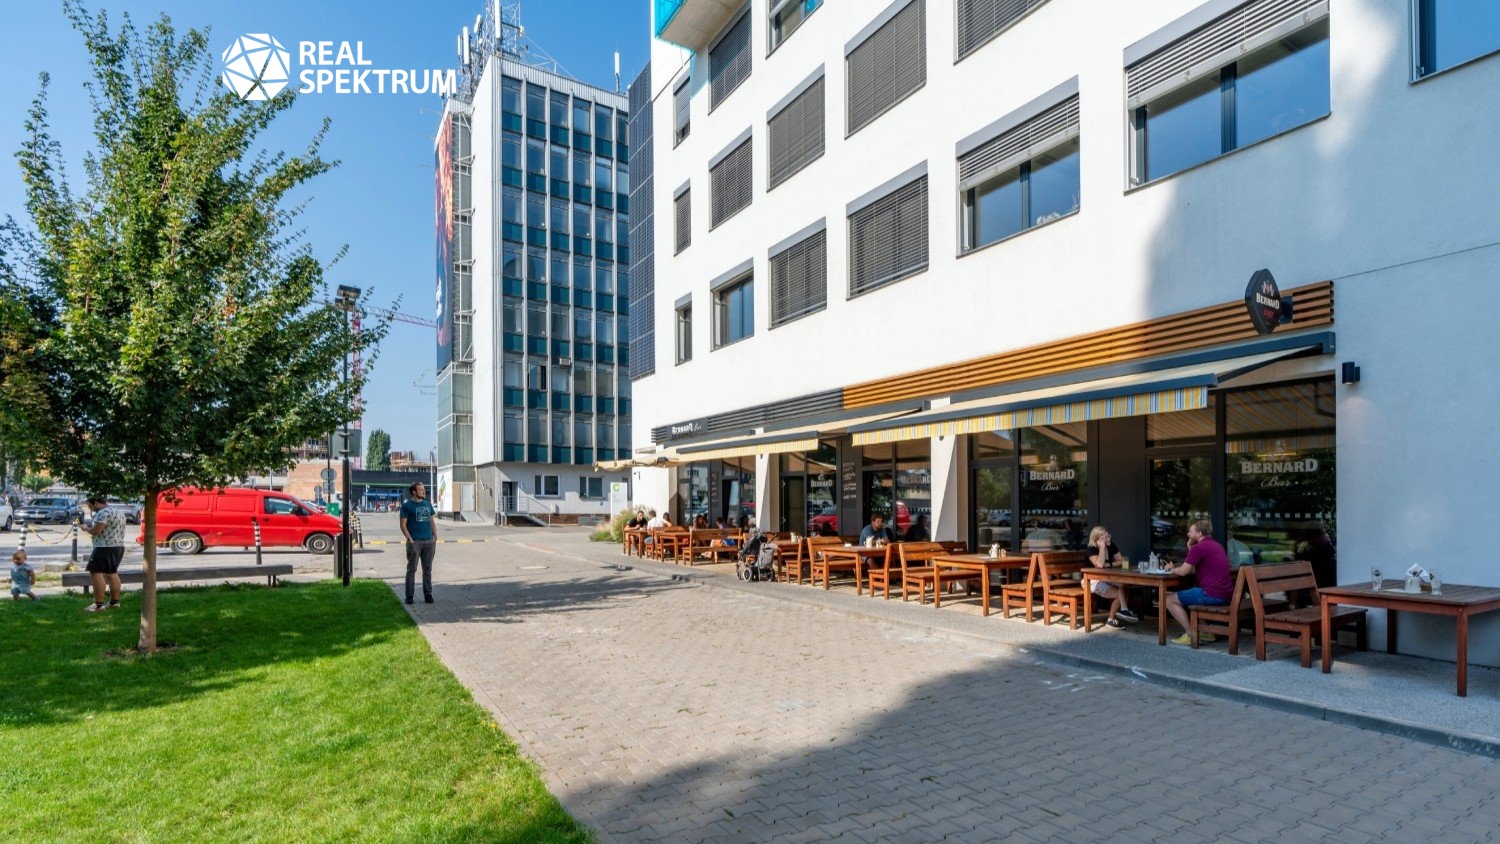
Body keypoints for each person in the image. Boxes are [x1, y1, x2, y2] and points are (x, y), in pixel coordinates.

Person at [1164, 518, 1234, 645]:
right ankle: (1206, 633)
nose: (1188, 534)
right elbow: (1194, 569)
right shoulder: (1217, 545)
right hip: (1226, 595)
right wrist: (1190, 548)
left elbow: (1184, 571)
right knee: (1190, 595)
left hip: (1212, 594)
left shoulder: (1199, 548)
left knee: (1169, 600)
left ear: (1199, 533)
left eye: (1191, 531)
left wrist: (1171, 569)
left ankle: (1191, 634)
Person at [1086, 526, 1137, 628]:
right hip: (1092, 580)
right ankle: (1111, 619)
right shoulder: (1091, 549)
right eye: (1105, 537)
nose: (1109, 538)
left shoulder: (1110, 544)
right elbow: (1099, 565)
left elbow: (1121, 560)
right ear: (1098, 539)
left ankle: (1124, 610)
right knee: (1121, 594)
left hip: (1107, 578)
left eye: (1108, 535)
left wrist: (1109, 564)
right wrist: (1102, 548)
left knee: (1124, 585)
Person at [84, 496, 126, 612]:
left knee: (95, 573)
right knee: (112, 572)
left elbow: (97, 531)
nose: (91, 509)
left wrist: (86, 528)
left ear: (96, 503)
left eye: (90, 506)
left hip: (104, 547)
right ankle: (114, 602)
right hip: (118, 546)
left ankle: (99, 605)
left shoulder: (103, 512)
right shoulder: (118, 511)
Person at [400, 482, 438, 605]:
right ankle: (409, 596)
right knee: (411, 570)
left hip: (429, 541)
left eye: (423, 489)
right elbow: (403, 524)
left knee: (427, 569)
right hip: (415, 542)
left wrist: (435, 535)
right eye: (420, 490)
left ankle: (428, 594)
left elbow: (432, 521)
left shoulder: (427, 504)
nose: (423, 491)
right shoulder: (407, 506)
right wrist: (409, 539)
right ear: (414, 492)